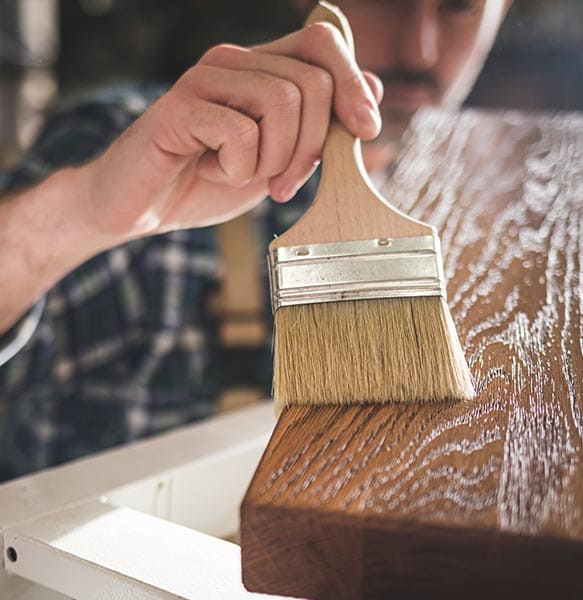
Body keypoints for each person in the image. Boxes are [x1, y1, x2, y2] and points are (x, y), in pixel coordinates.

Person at [0, 0, 511, 481]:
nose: (419, 48)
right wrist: (80, 211)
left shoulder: (513, 206)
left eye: (459, 5)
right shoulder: (139, 143)